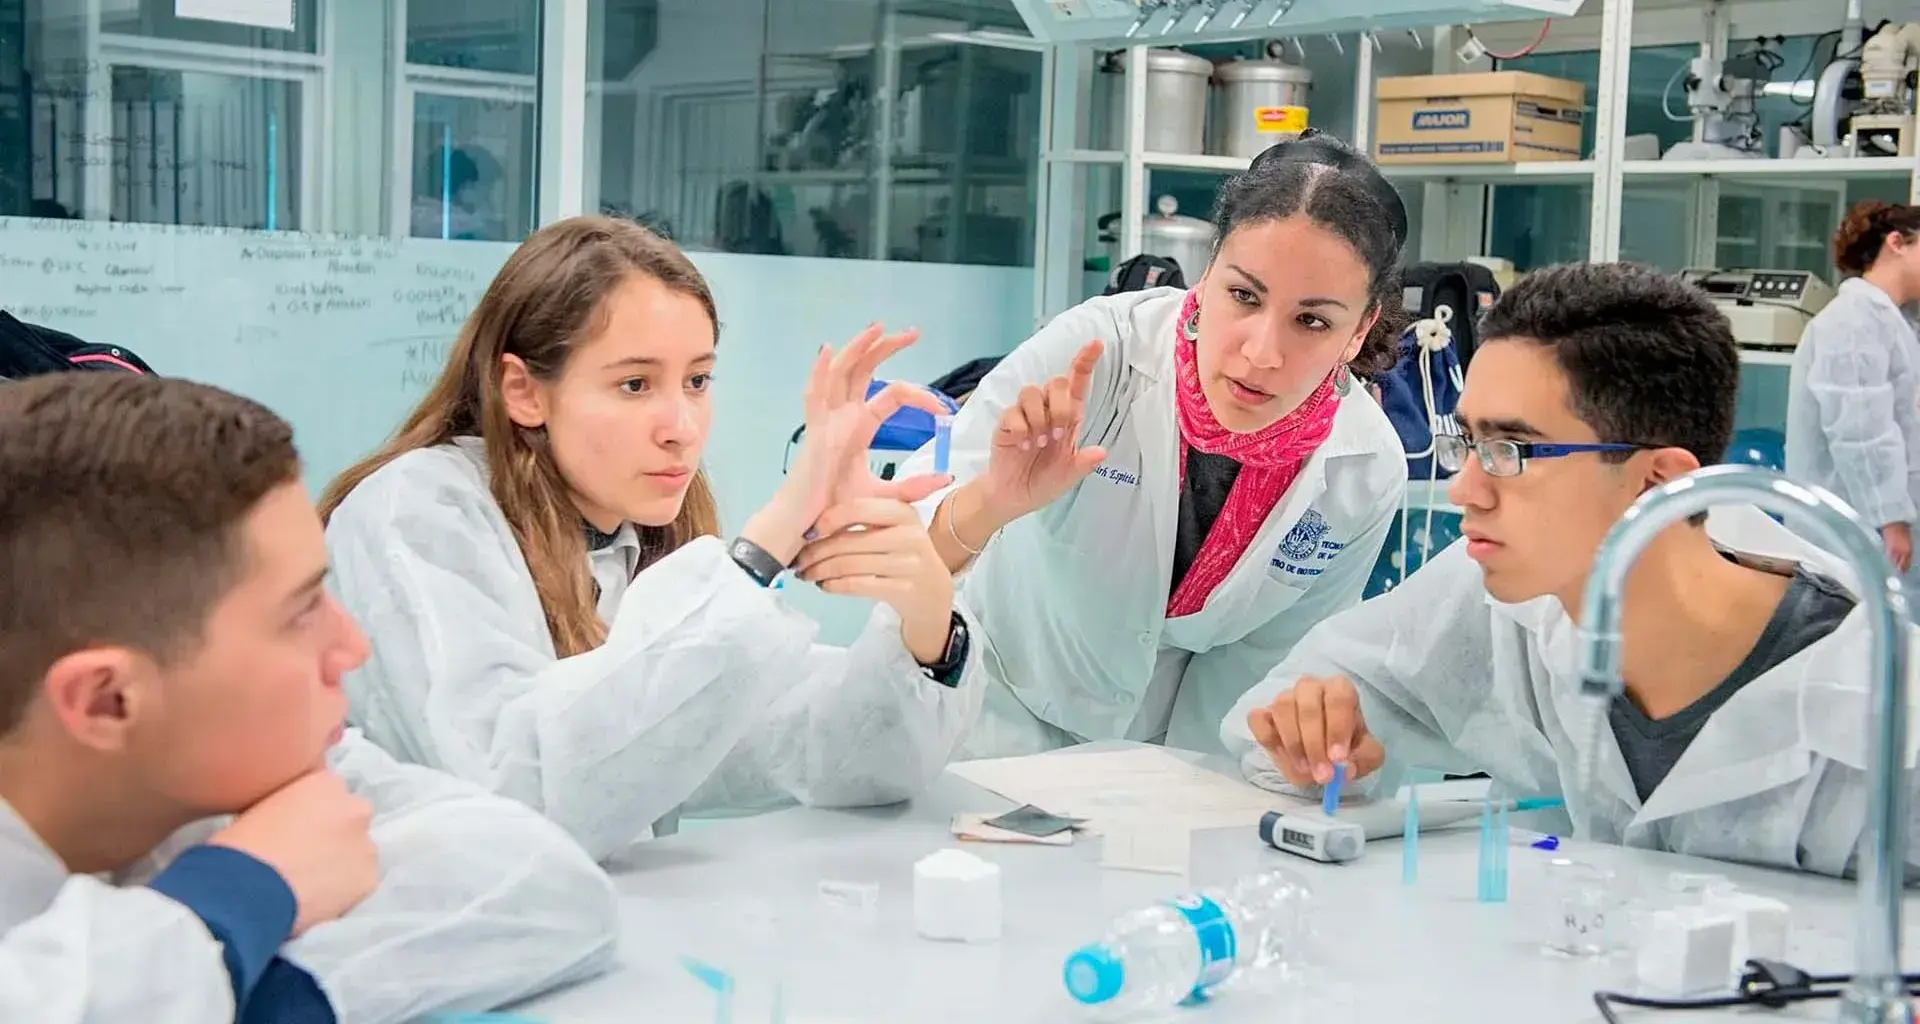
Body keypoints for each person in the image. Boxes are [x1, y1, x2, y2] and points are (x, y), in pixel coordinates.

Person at [1223, 262, 1920, 879]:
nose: (1465, 488)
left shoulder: (1886, 714)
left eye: (1511, 450)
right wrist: (1311, 737)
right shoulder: (1505, 596)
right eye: (1469, 440)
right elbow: (1286, 705)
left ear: (1658, 485)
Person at [319, 215, 982, 862]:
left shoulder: (625, 542)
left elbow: (829, 751)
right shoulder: (416, 513)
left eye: (696, 381)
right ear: (523, 391)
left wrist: (927, 620)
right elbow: (510, 802)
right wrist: (771, 537)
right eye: (635, 384)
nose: (681, 427)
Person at [0, 373, 619, 1023]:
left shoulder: (237, 780)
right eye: (300, 613)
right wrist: (245, 890)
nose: (351, 647)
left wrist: (227, 977)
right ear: (109, 702)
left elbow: (543, 882)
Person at [894, 131, 1409, 758]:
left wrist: (1182, 804)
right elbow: (903, 550)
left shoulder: (1366, 469)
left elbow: (1265, 672)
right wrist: (994, 504)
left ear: (1360, 331)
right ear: (1210, 268)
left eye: (1313, 320)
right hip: (986, 715)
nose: (1261, 353)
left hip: (1161, 751)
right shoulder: (1099, 355)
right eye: (1243, 295)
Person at [1786, 200, 1920, 589]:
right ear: (1897, 242)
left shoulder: (1895, 323)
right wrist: (1890, 518)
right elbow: (1861, 430)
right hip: (1858, 526)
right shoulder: (1853, 320)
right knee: (1863, 634)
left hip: (1881, 523)